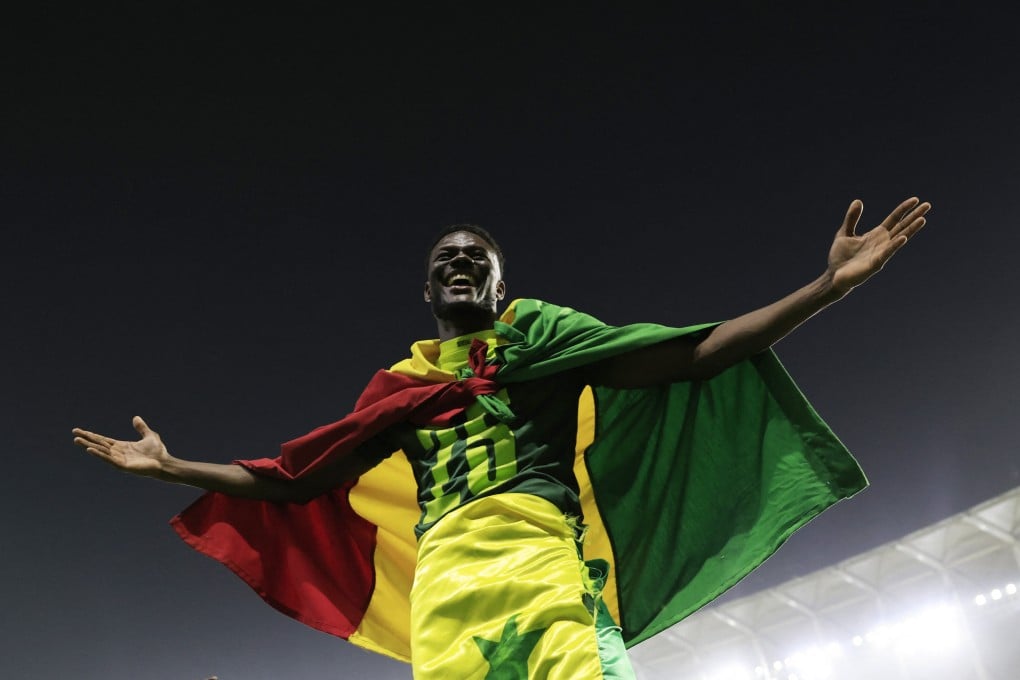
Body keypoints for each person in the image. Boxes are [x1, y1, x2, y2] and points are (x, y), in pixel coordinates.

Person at [74, 197, 930, 679]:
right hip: (447, 584)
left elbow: (695, 353)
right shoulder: (398, 390)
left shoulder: (546, 342)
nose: (458, 263)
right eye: (445, 257)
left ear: (499, 282)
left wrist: (827, 286)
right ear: (426, 289)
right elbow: (297, 480)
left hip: (544, 561)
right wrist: (172, 466)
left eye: (474, 256)